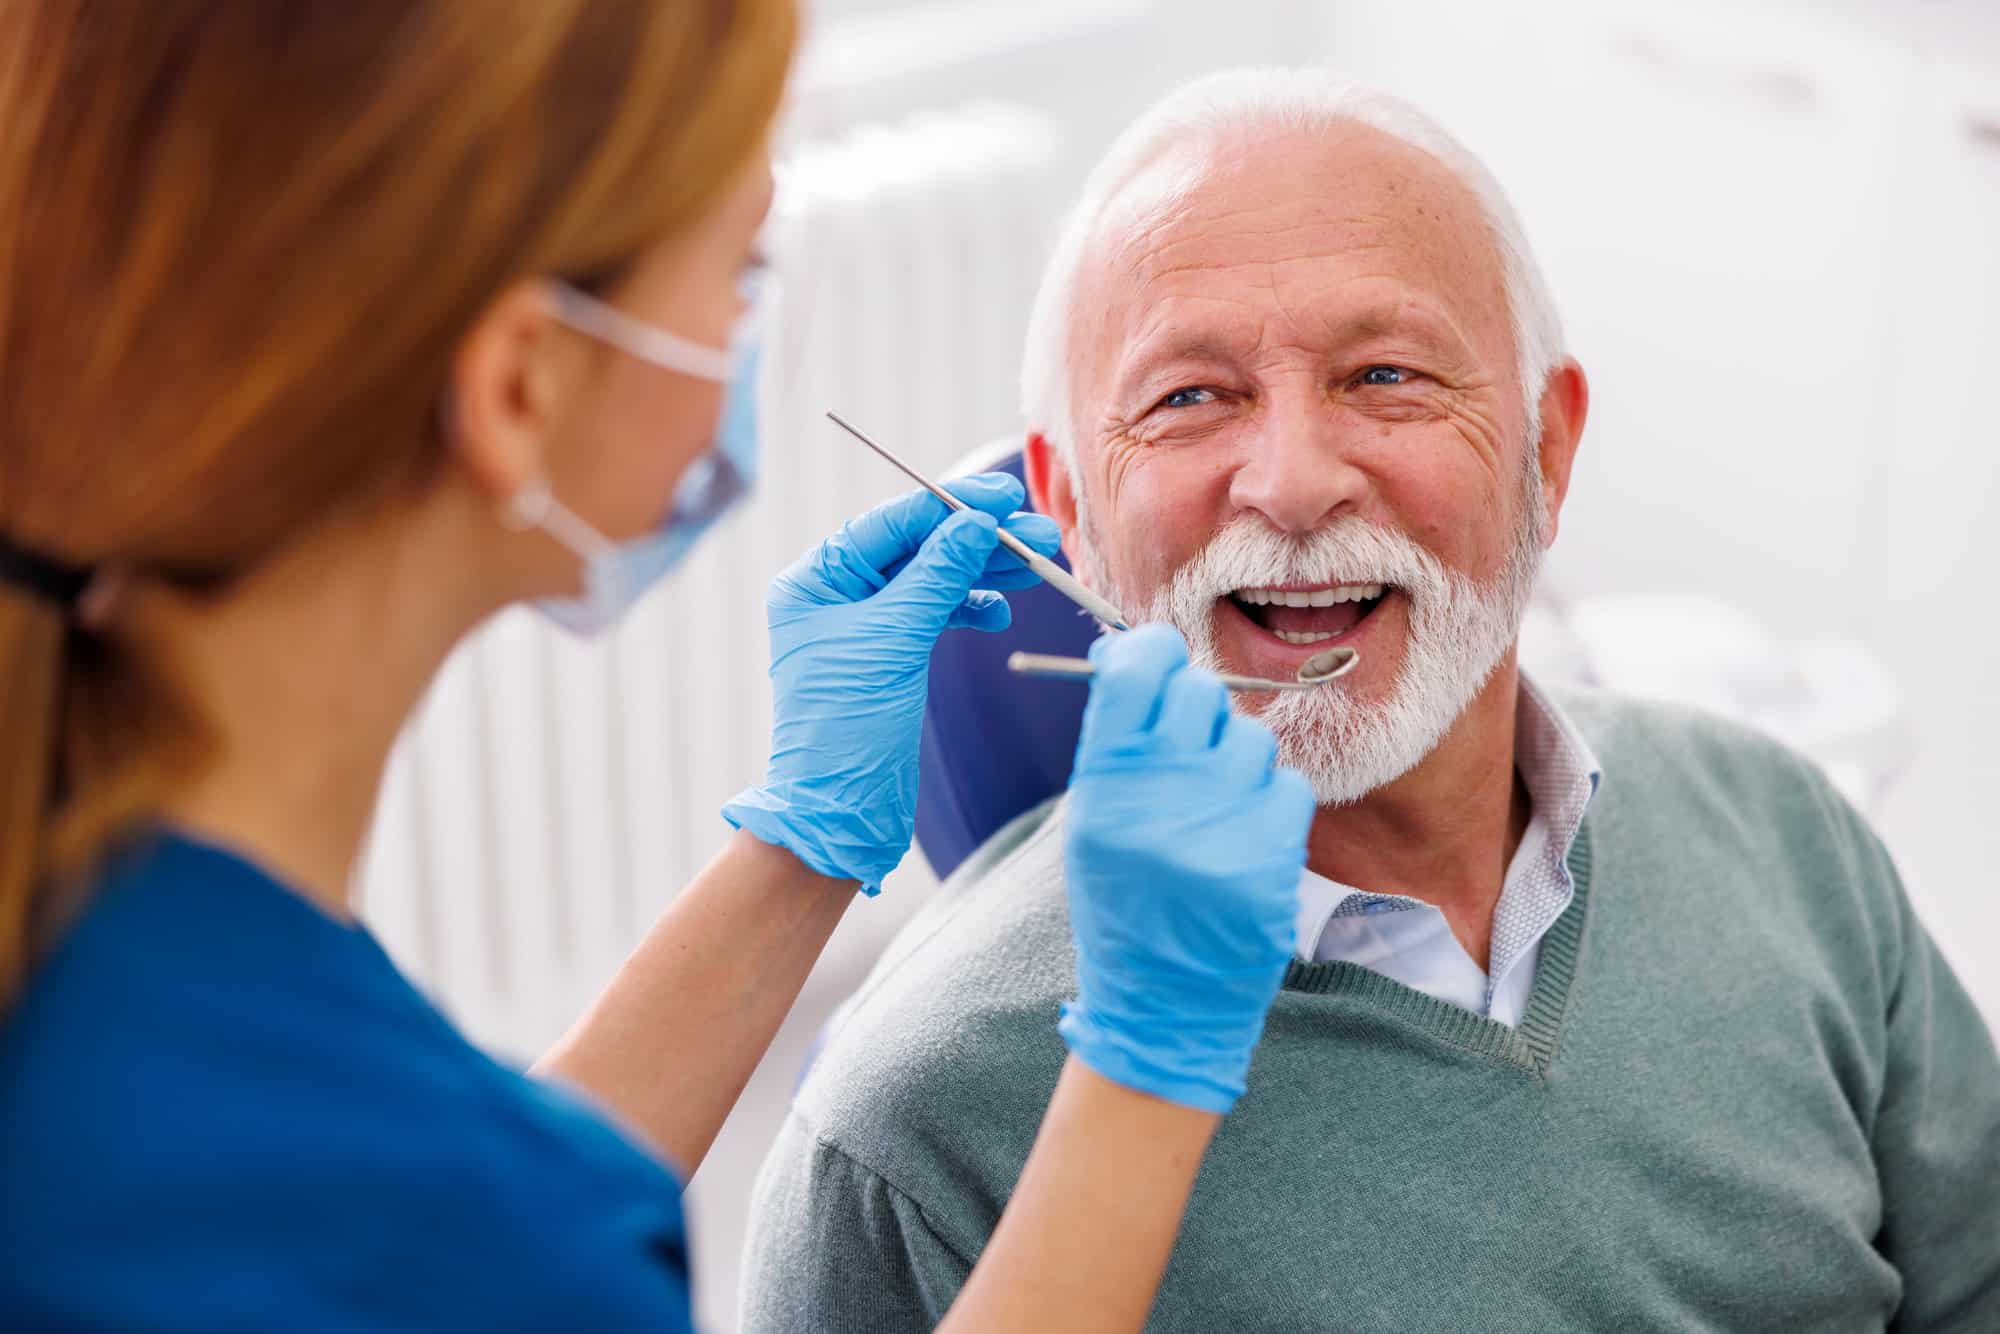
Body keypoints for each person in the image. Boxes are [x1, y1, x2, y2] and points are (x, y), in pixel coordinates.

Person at [0, 7, 1320, 1330]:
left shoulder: (125, 936)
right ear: (519, 386)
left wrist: (801, 842)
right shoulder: (440, 1196)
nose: (1291, 480)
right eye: (741, 276)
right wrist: (1152, 1061)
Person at [740, 68, 2000, 1332]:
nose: (1291, 484)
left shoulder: (1788, 833)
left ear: (1546, 451)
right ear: (1065, 511)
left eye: (1384, 375)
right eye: (1188, 396)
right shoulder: (910, 1143)